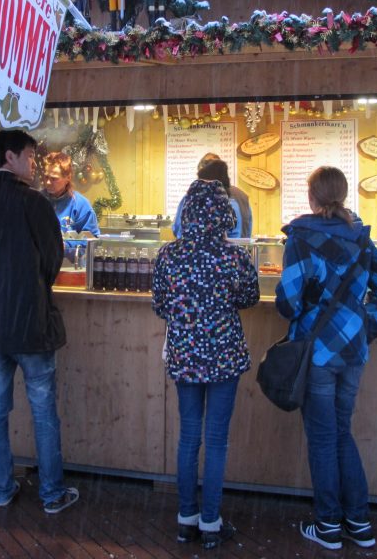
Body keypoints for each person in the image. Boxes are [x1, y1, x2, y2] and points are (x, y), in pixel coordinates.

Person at [273, 166, 377, 551]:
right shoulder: (360, 237)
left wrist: (305, 308)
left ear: (312, 197)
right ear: (341, 195)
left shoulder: (301, 238)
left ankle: (328, 525)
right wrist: (368, 325)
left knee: (323, 439)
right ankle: (358, 522)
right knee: (342, 433)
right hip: (354, 350)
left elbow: (288, 302)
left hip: (319, 352)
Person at [0, 129, 79, 515]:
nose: (35, 164)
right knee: (43, 411)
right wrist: (30, 288)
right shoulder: (34, 203)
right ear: (10, 157)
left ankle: (0, 489)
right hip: (31, 324)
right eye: (30, 156)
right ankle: (51, 494)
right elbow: (51, 260)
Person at [152, 178, 259, 549]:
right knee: (215, 442)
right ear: (223, 214)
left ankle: (186, 520)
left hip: (185, 358)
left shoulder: (169, 255)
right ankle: (211, 524)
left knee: (188, 438)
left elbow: (160, 306)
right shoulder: (234, 257)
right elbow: (249, 298)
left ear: (188, 213)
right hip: (224, 358)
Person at [41, 151, 100, 264]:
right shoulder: (36, 201)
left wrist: (66, 246)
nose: (48, 182)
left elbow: (93, 239)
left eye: (54, 178)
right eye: (46, 177)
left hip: (72, 267)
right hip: (41, 268)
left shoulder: (80, 205)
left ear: (67, 177)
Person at [171, 156, 246, 240]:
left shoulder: (188, 199)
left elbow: (177, 229)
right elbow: (235, 235)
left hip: (191, 249)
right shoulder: (232, 202)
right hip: (222, 250)